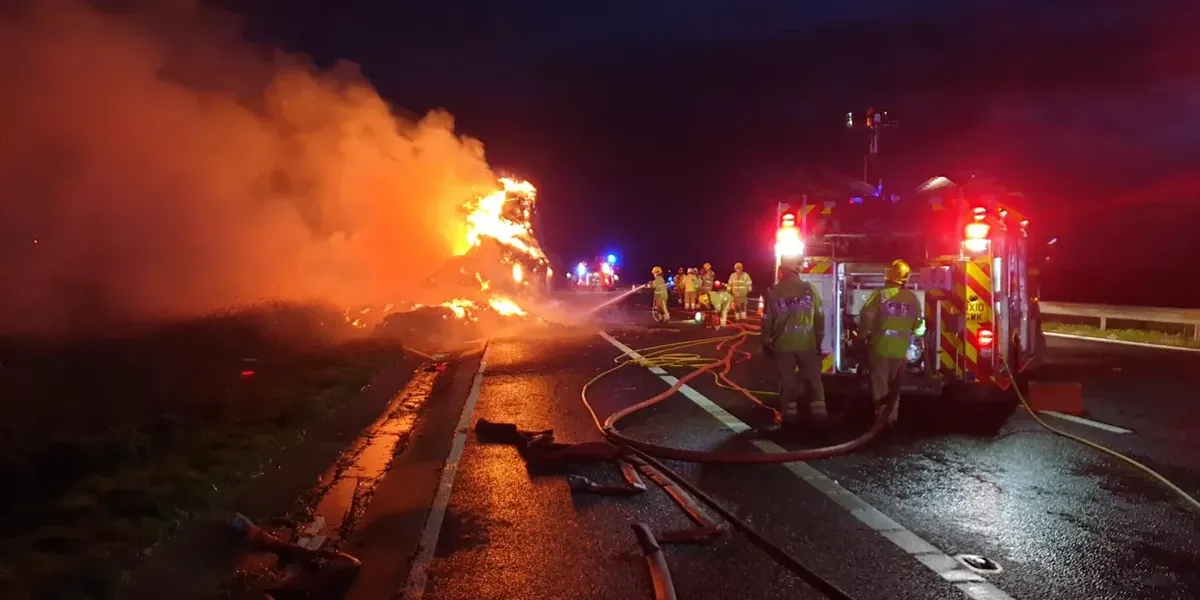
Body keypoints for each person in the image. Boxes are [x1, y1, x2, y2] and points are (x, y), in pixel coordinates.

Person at [858, 259, 925, 427]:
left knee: (880, 387)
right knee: (895, 388)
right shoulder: (912, 298)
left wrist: (862, 335)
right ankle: (892, 419)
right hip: (900, 350)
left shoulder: (880, 295)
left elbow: (867, 317)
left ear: (888, 276)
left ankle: (881, 420)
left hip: (880, 348)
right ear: (905, 279)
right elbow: (918, 327)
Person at [761, 263, 827, 428]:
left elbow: (768, 319)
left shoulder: (773, 291)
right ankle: (819, 416)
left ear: (782, 270)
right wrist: (819, 339)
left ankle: (789, 417)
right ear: (797, 270)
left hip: (783, 345)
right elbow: (819, 315)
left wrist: (766, 341)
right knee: (813, 379)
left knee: (787, 380)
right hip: (807, 343)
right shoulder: (809, 288)